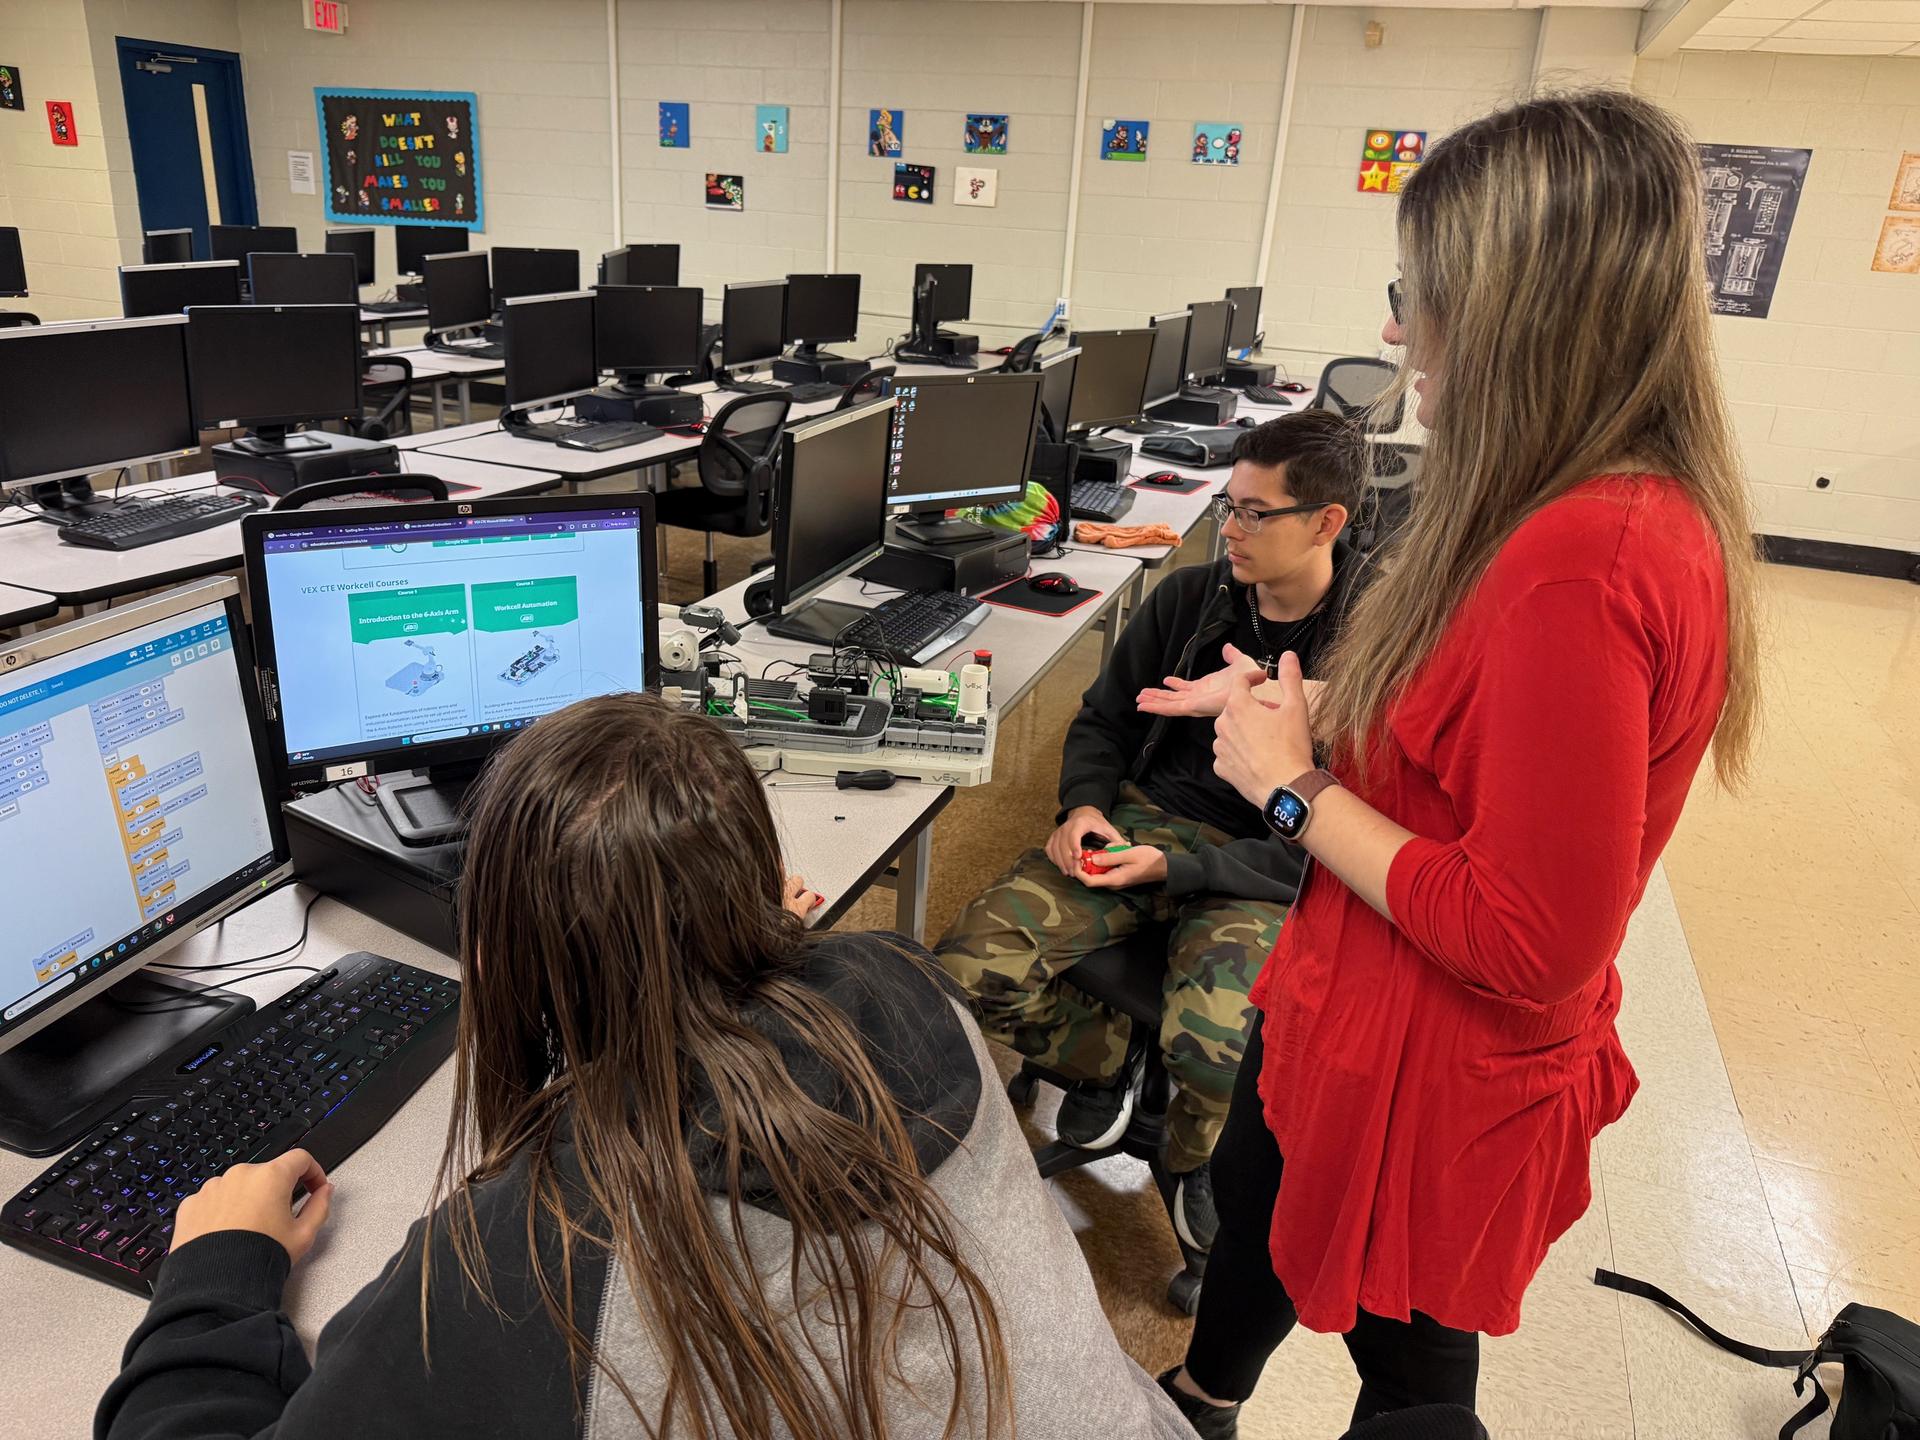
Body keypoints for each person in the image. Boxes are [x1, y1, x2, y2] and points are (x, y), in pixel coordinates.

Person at [1153, 89, 1762, 1439]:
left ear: (1520, 306)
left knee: (1415, 1383)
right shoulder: (1595, 507)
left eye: (1418, 293)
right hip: (1351, 992)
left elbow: (1529, 935)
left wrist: (1289, 788)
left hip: (1430, 1060)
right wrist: (1293, 723)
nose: (1392, 327)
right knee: (1259, 1184)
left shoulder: (1580, 559)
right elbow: (1471, 766)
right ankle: (1203, 1391)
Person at [96, 695, 1194, 1440]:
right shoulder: (915, 989)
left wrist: (216, 1270)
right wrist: (750, 951)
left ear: (503, 951)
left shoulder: (526, 1262)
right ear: (762, 883)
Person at [936, 409, 1370, 1254]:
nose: (1230, 528)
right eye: (1231, 506)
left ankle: (1191, 1152)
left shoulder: (1373, 649)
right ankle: (1115, 1062)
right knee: (966, 969)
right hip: (1141, 819)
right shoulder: (1191, 597)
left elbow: (1326, 845)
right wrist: (1084, 808)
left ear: (1327, 523)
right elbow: (1103, 719)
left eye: (1255, 513)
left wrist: (1172, 872)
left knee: (1216, 1053)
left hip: (1258, 865)